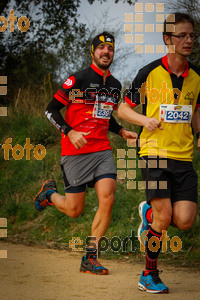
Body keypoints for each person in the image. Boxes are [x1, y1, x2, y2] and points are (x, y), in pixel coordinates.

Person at [34, 31, 137, 275]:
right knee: (74, 210)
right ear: (93, 52)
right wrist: (69, 132)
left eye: (110, 49)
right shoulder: (77, 79)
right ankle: (49, 195)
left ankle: (90, 257)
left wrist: (122, 132)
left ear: (113, 53)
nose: (106, 52)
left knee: (108, 198)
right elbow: (51, 110)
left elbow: (105, 117)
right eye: (101, 48)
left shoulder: (114, 85)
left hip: (101, 150)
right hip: (75, 151)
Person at [118, 13, 200, 293]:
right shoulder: (149, 73)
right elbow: (123, 109)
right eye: (182, 35)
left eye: (192, 35)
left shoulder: (197, 77)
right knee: (164, 218)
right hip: (153, 153)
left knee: (185, 221)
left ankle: (148, 213)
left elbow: (195, 113)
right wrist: (144, 121)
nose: (189, 40)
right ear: (167, 39)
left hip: (184, 157)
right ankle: (148, 275)